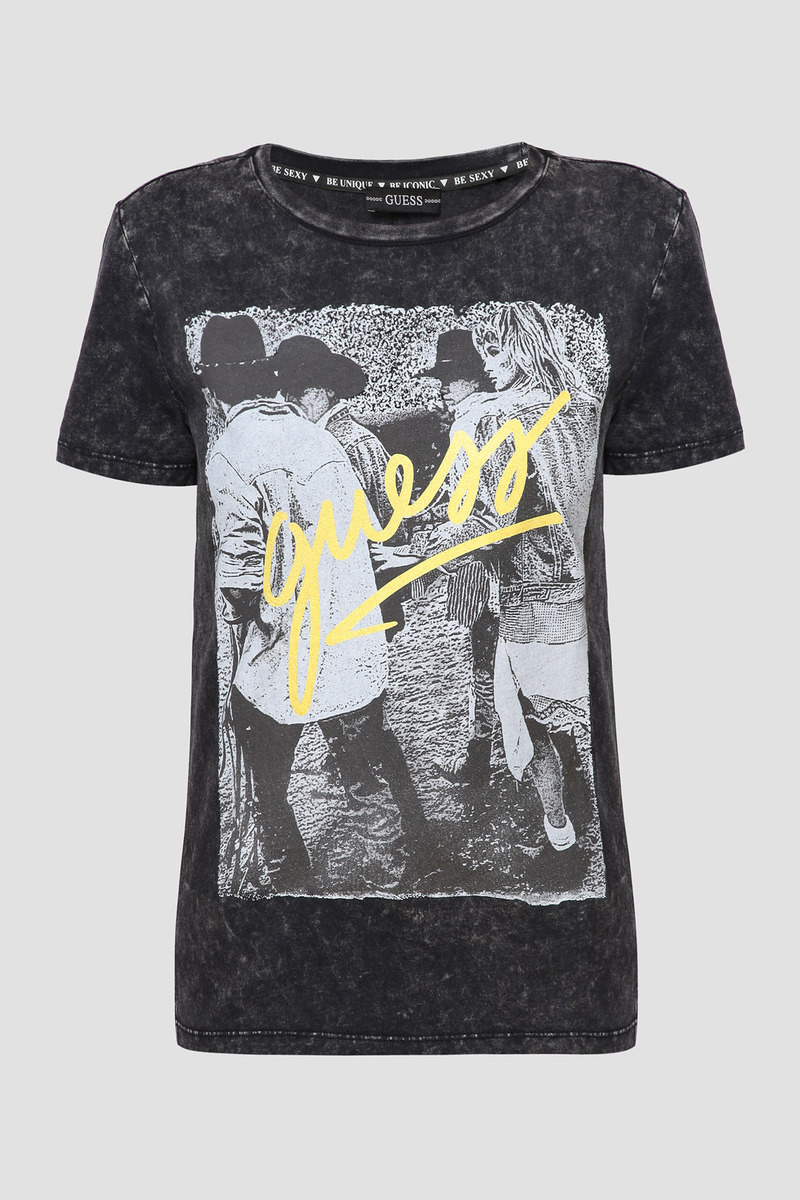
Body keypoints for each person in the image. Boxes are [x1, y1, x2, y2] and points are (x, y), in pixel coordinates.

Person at [199, 316, 400, 893]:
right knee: (362, 766)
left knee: (262, 762)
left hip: (288, 649)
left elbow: (240, 574)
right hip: (351, 635)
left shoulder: (230, 451)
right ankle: (392, 876)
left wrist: (242, 615)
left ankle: (290, 880)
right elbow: (365, 534)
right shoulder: (320, 439)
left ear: (214, 392)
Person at [423, 303, 602, 852]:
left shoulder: (500, 419)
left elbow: (493, 524)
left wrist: (427, 550)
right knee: (578, 706)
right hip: (584, 586)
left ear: (522, 349)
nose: (487, 364)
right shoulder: (585, 406)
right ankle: (578, 814)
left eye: (496, 351)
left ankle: (559, 833)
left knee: (533, 718)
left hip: (531, 591)